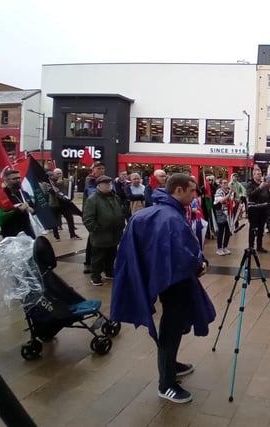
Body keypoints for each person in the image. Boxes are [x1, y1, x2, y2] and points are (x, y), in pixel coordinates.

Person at [110, 173, 215, 404]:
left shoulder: (157, 212)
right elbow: (180, 254)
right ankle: (166, 384)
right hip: (173, 283)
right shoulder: (170, 218)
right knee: (171, 329)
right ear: (178, 191)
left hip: (166, 280)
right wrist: (199, 265)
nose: (194, 194)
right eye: (191, 190)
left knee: (174, 327)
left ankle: (172, 366)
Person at [82, 175, 126, 286]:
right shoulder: (93, 199)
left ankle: (109, 272)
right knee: (98, 257)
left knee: (111, 254)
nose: (108, 185)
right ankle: (95, 276)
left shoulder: (115, 197)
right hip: (100, 234)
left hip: (114, 233)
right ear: (99, 185)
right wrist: (95, 229)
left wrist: (121, 224)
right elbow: (88, 217)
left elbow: (120, 211)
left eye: (109, 183)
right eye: (106, 183)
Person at [82, 161, 106, 274]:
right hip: (92, 214)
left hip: (102, 214)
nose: (101, 170)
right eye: (99, 168)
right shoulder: (90, 180)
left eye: (103, 168)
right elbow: (92, 194)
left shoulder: (104, 180)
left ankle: (101, 262)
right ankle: (88, 262)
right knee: (92, 239)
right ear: (94, 170)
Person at [1, 169, 36, 238]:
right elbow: (1, 215)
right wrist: (19, 210)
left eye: (19, 178)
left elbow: (33, 208)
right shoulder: (3, 196)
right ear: (6, 181)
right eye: (14, 179)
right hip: (12, 233)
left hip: (27, 230)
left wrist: (32, 210)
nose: (18, 180)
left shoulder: (24, 193)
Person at [245, 167, 270, 252]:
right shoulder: (250, 184)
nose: (259, 175)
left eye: (260, 174)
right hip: (254, 210)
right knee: (253, 229)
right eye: (258, 174)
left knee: (261, 229)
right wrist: (259, 188)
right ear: (253, 175)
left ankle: (259, 246)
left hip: (263, 210)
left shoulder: (264, 184)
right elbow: (250, 195)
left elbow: (269, 197)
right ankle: (251, 246)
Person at [213, 178, 232, 256]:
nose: (225, 184)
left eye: (226, 183)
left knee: (227, 231)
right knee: (221, 230)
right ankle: (219, 248)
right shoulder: (219, 191)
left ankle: (225, 247)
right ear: (220, 184)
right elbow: (221, 200)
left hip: (227, 213)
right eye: (224, 183)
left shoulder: (227, 191)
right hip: (220, 212)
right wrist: (229, 194)